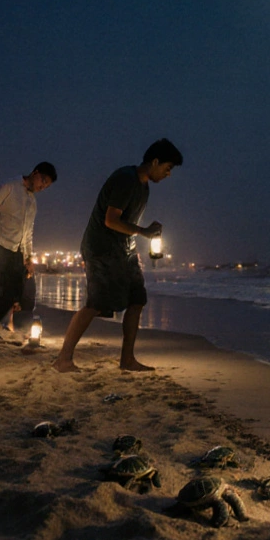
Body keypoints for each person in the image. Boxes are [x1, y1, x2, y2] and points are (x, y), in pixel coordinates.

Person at [53, 139, 182, 373]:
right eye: (168, 167)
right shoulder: (126, 179)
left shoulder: (144, 187)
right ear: (155, 162)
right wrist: (143, 232)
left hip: (124, 249)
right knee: (96, 303)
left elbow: (128, 223)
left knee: (137, 298)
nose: (168, 174)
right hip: (100, 248)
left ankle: (127, 359)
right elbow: (110, 220)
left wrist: (139, 243)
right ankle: (63, 358)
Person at [0, 163, 58, 350]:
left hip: (15, 252)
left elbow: (28, 233)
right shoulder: (9, 187)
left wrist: (29, 258)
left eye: (46, 186)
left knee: (15, 293)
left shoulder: (32, 203)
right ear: (35, 173)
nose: (42, 187)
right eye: (42, 181)